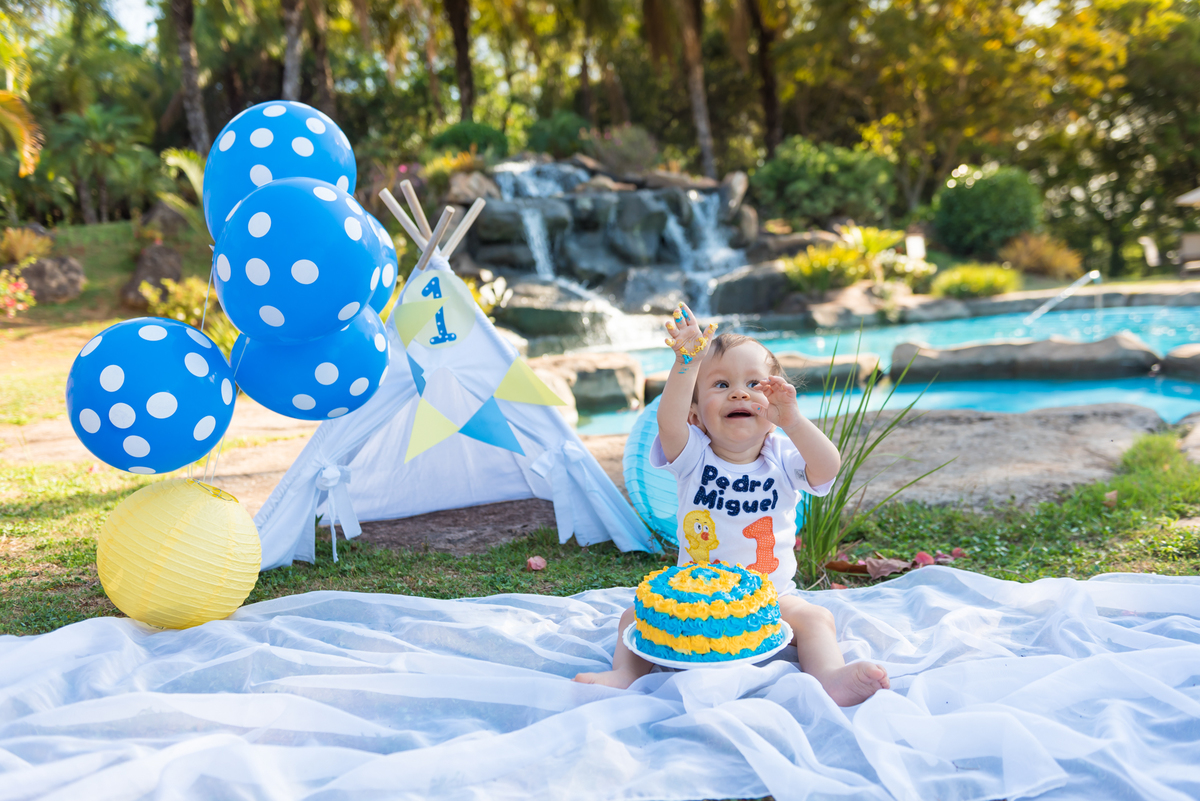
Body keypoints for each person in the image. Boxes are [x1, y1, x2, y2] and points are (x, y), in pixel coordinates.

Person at [574, 303, 890, 706]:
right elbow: (668, 423)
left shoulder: (783, 454)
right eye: (720, 385)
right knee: (632, 619)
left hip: (772, 598)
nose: (739, 392)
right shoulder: (692, 456)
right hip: (694, 605)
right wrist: (686, 364)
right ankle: (623, 675)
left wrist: (793, 420)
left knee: (816, 618)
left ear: (774, 404)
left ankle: (830, 677)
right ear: (696, 415)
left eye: (755, 384)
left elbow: (827, 468)